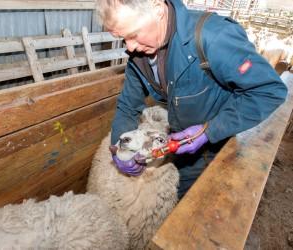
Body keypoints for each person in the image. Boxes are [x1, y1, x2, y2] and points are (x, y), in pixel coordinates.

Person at [96, 0, 288, 198]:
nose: (130, 47)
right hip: (178, 146)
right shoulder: (139, 58)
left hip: (215, 150)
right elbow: (128, 106)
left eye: (133, 34)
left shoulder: (214, 37)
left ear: (157, 9)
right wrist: (119, 149)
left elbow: (268, 90)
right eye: (122, 39)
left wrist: (208, 131)